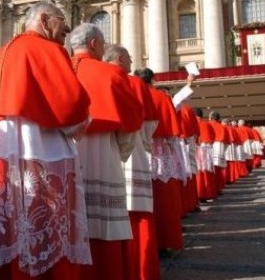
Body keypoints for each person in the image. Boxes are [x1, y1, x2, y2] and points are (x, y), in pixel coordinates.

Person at [0, 2, 92, 280]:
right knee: (42, 235)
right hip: (40, 156)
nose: (67, 31)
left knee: (7, 227)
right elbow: (72, 109)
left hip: (1, 159)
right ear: (46, 20)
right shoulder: (47, 50)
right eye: (62, 22)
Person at [69, 27, 143, 280]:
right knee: (104, 223)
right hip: (102, 150)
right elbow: (131, 121)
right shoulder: (110, 72)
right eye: (103, 44)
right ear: (94, 44)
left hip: (62, 150)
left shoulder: (60, 69)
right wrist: (121, 152)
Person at [104, 45, 160, 280]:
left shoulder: (93, 76)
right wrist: (144, 143)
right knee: (135, 211)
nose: (131, 61)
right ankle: (140, 267)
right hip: (132, 148)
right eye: (128, 58)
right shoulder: (135, 84)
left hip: (104, 152)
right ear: (119, 59)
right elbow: (149, 121)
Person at [135, 68, 184, 253]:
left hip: (136, 151)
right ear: (153, 80)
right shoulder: (162, 98)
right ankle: (164, 240)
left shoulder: (132, 94)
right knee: (163, 198)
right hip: (160, 151)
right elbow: (172, 132)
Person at [194, 108, 217, 201]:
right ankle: (208, 193)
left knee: (198, 172)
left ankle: (200, 192)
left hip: (197, 147)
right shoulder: (207, 124)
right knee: (206, 171)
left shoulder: (193, 122)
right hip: (207, 148)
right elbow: (213, 136)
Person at [208, 111, 229, 194]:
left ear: (211, 117)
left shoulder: (207, 124)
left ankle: (210, 189)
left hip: (208, 146)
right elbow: (227, 142)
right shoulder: (222, 127)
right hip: (219, 146)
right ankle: (218, 189)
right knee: (218, 170)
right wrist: (223, 150)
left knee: (209, 170)